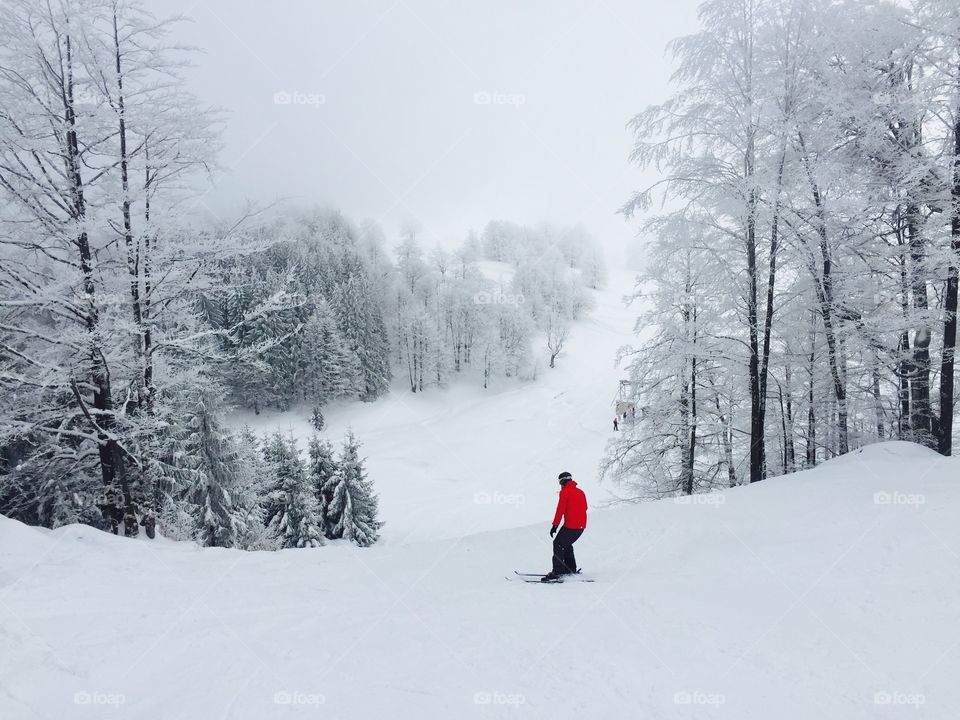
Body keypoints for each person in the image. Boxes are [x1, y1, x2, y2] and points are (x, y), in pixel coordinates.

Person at [542, 471, 587, 582]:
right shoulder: (581, 492)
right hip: (581, 527)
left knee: (557, 544)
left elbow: (560, 510)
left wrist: (555, 525)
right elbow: (585, 507)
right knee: (566, 544)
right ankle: (570, 569)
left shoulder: (565, 492)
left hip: (571, 525)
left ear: (562, 481)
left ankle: (558, 571)